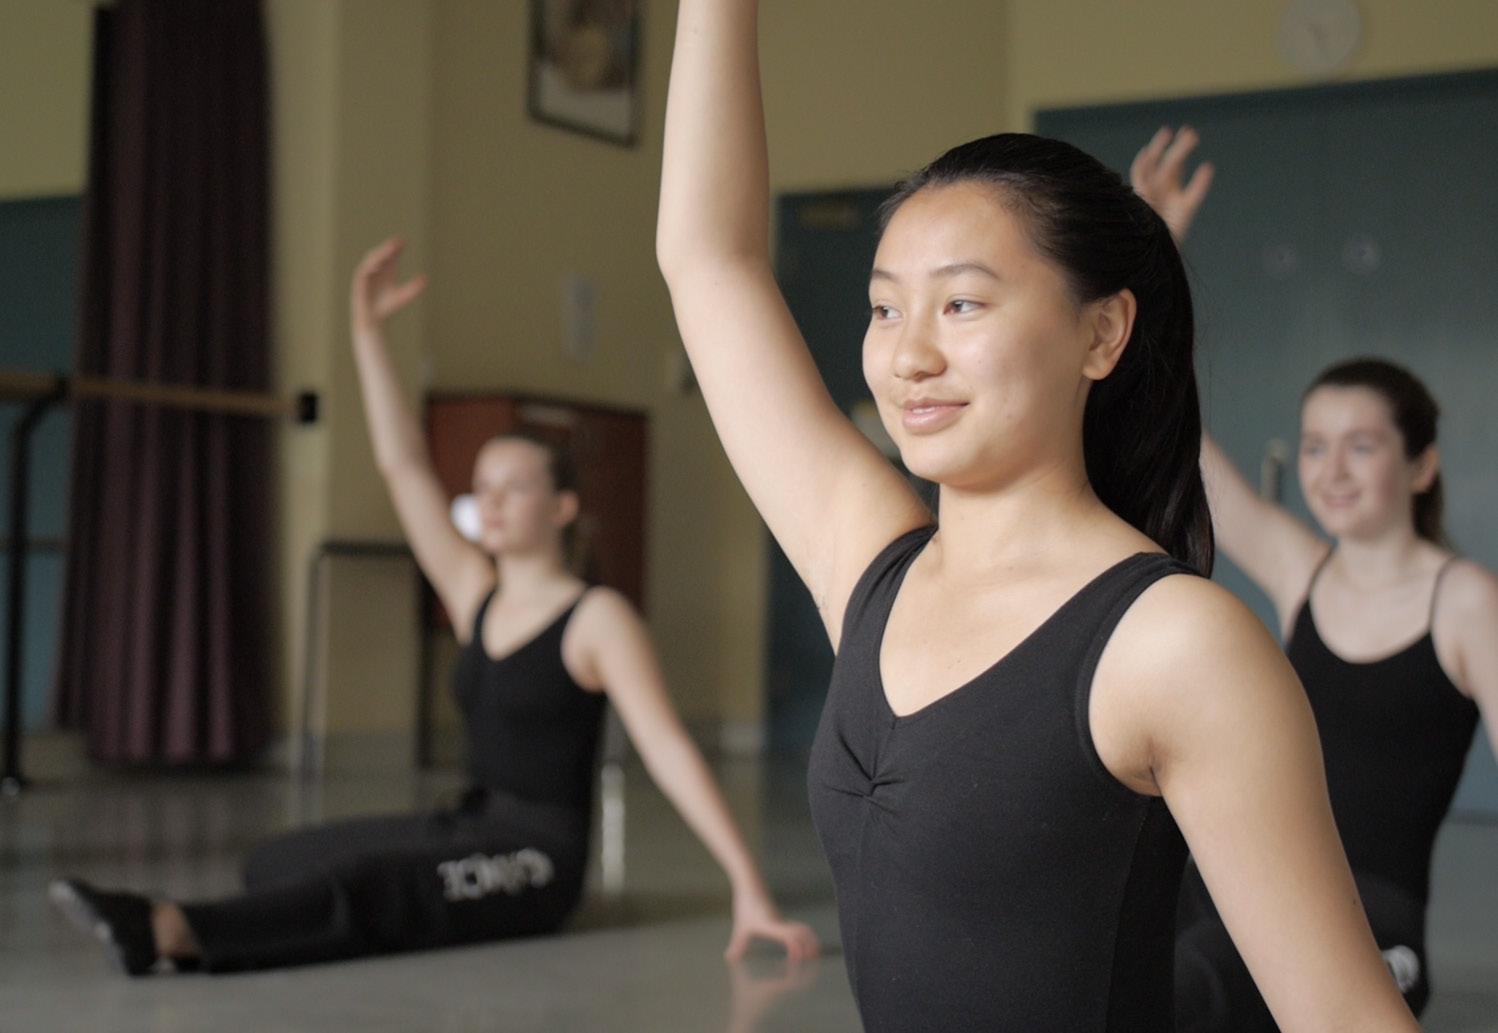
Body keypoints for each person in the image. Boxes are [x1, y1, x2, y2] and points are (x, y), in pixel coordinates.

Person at [654, 3, 1421, 1030]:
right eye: (885, 308)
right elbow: (708, 260)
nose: (909, 354)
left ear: (1101, 334)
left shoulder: (1174, 644)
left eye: (962, 304)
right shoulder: (870, 564)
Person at [48, 237, 819, 976]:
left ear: (562, 507)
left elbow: (669, 750)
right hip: (467, 822)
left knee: (371, 886)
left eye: (515, 486)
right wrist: (366, 334)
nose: (493, 500)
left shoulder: (596, 620)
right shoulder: (473, 589)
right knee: (279, 859)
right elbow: (403, 464)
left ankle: (167, 929)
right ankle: (263, 916)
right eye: (483, 487)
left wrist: (746, 885)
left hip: (538, 859)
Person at [1132, 125, 1498, 1026]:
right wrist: (1155, 253)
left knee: (1193, 988)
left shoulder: (1466, 603)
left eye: (1361, 446)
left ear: (1421, 465)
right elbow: (1177, 428)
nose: (1331, 470)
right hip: (1251, 878)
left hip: (1367, 919)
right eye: (1315, 446)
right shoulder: (1304, 568)